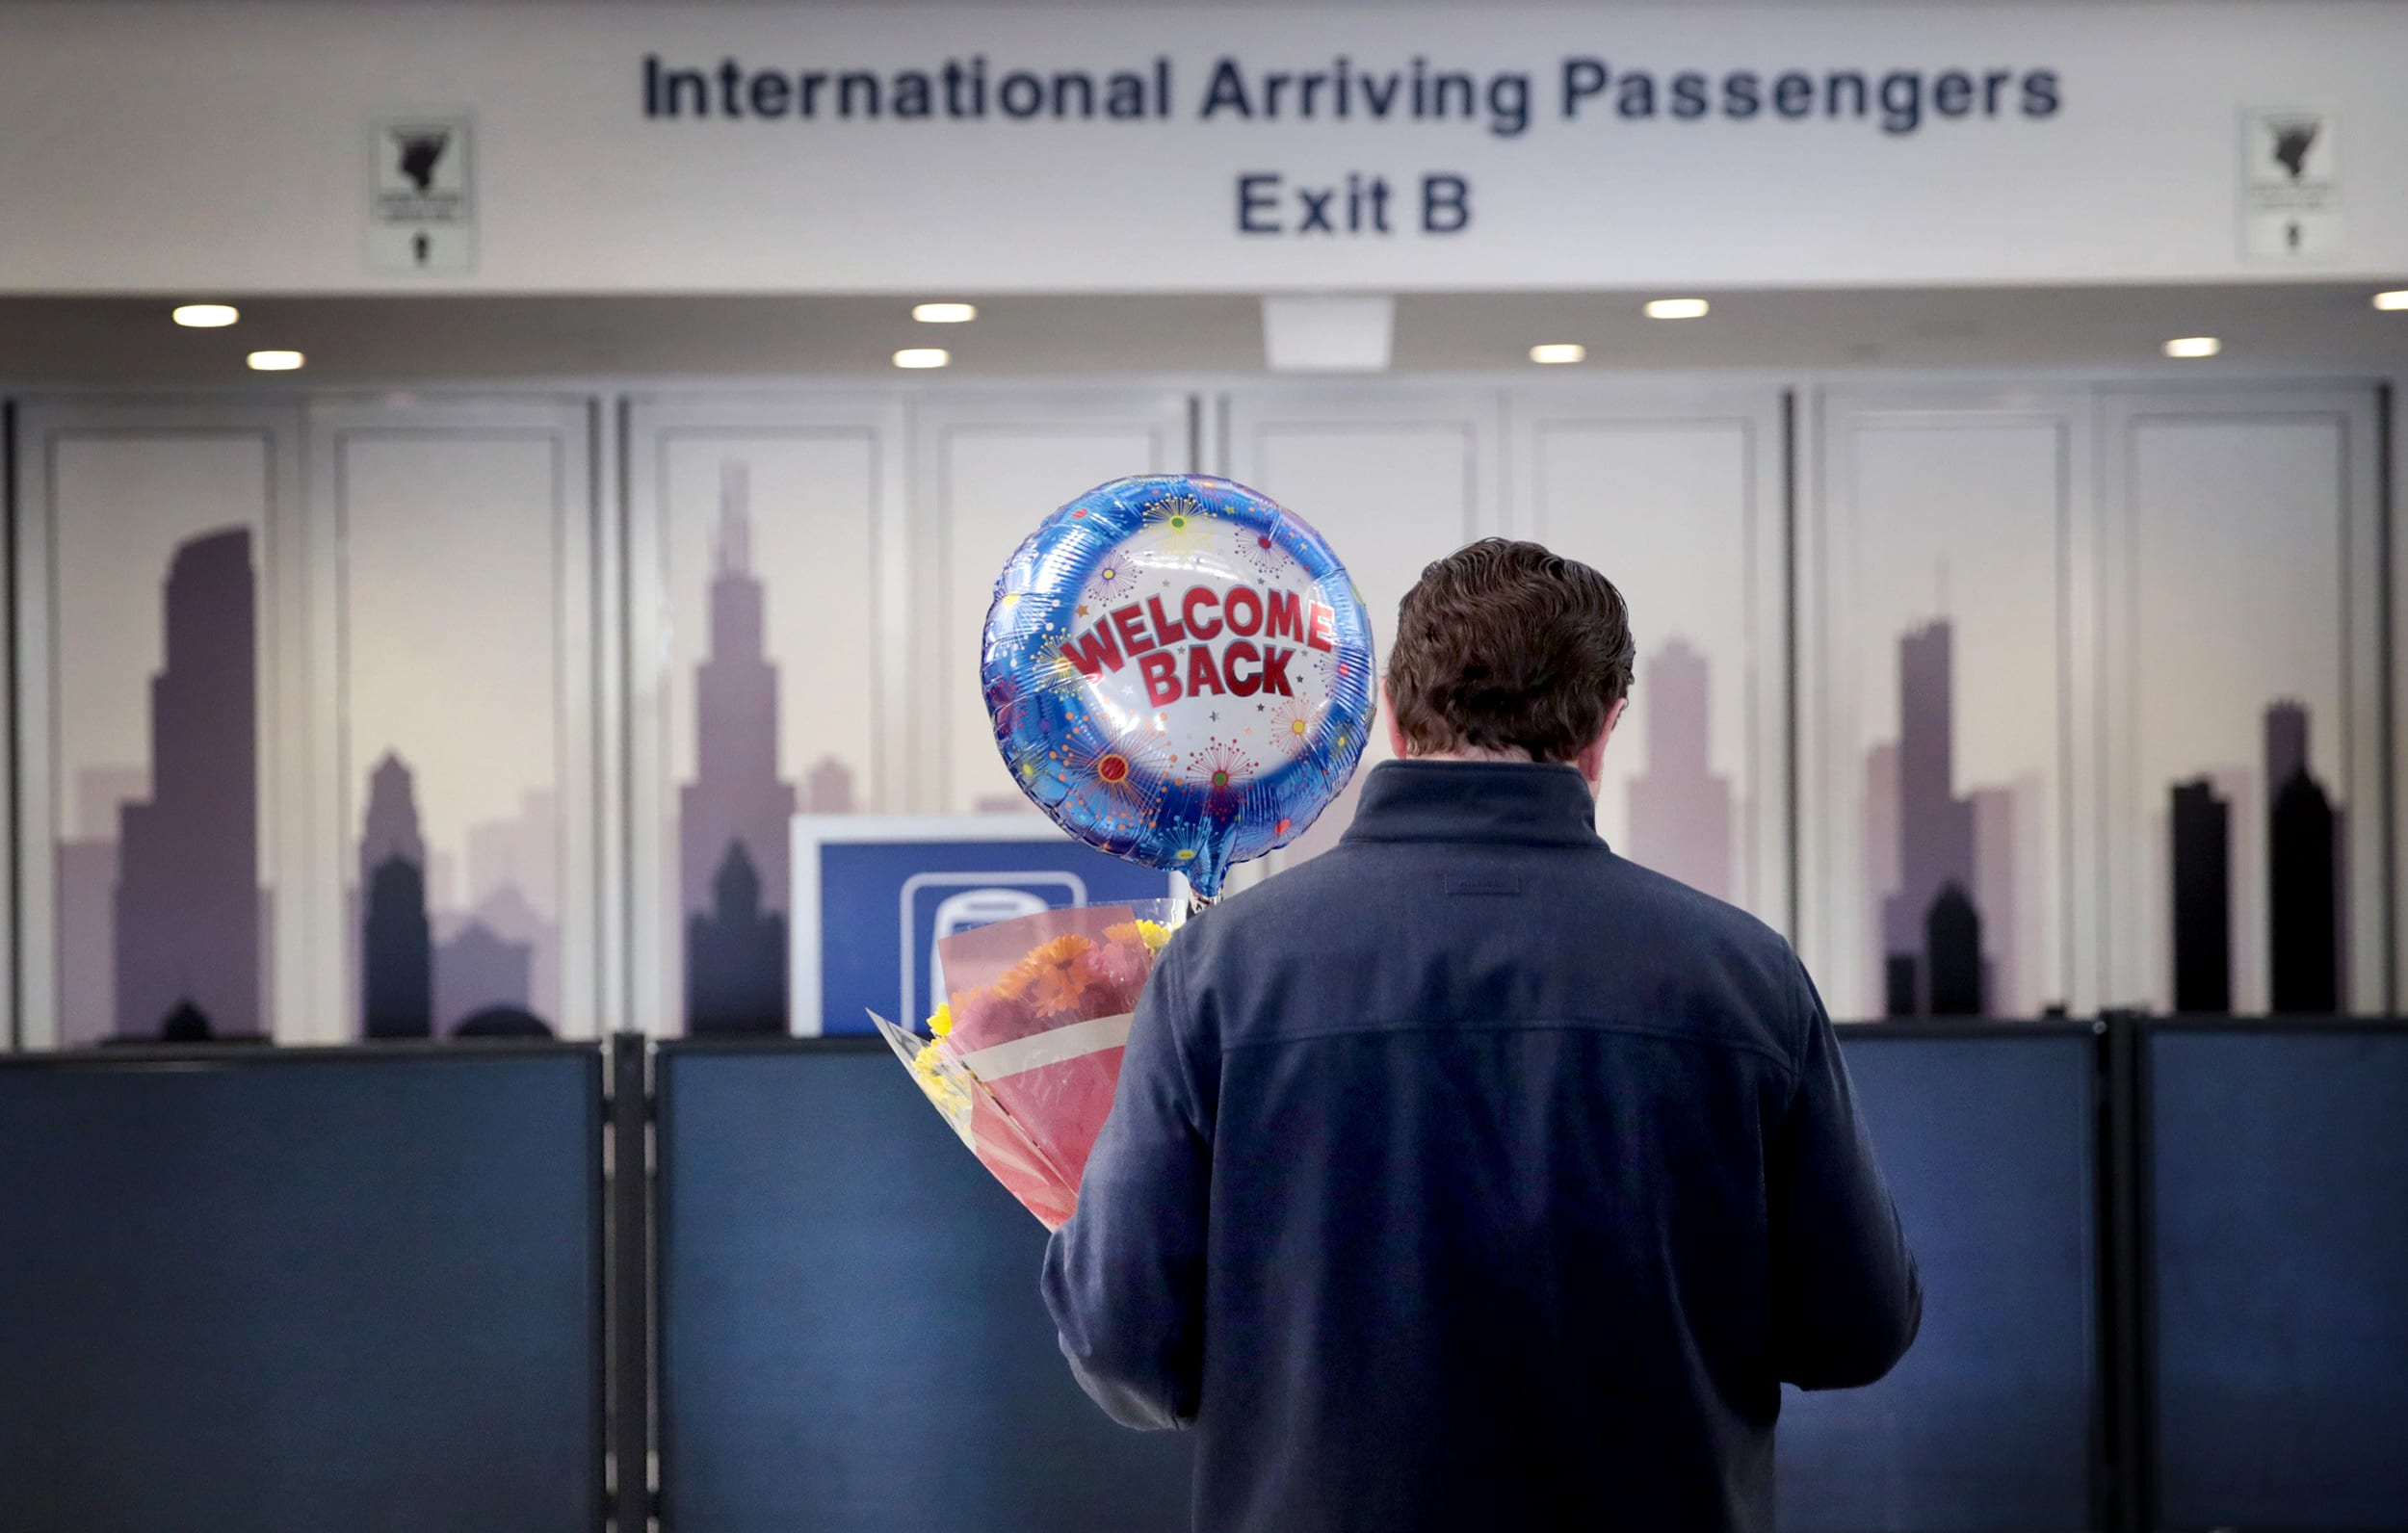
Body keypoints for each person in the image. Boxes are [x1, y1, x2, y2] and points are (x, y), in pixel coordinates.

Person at [1042, 538, 1921, 1532]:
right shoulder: (1742, 974)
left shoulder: (1220, 969)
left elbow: (1123, 1345)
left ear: (1388, 715)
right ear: (1604, 726)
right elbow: (1856, 1330)